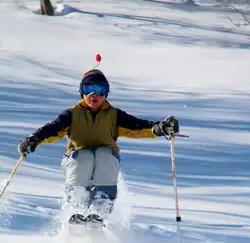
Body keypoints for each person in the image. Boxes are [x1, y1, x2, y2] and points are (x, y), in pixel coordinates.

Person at [18, 69, 179, 224]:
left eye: (99, 89)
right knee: (84, 156)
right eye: (88, 88)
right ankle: (77, 203)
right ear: (81, 92)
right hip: (76, 160)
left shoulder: (114, 115)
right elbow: (52, 129)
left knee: (105, 154)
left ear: (106, 93)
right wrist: (34, 140)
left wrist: (160, 128)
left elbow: (138, 126)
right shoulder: (72, 114)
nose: (93, 94)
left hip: (106, 160)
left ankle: (101, 204)